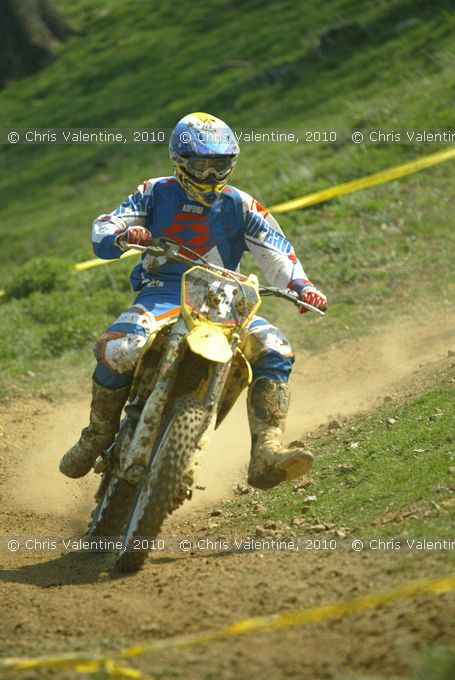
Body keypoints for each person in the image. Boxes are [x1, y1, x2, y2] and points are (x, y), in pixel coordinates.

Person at [60, 112, 327, 490]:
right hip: (162, 292)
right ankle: (97, 435)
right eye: (201, 165)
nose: (210, 176)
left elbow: (276, 250)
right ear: (180, 161)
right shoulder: (155, 191)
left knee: (276, 348)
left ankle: (267, 450)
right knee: (120, 348)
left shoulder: (242, 204)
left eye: (219, 166)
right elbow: (106, 225)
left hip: (226, 299)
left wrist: (301, 286)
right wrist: (124, 235)